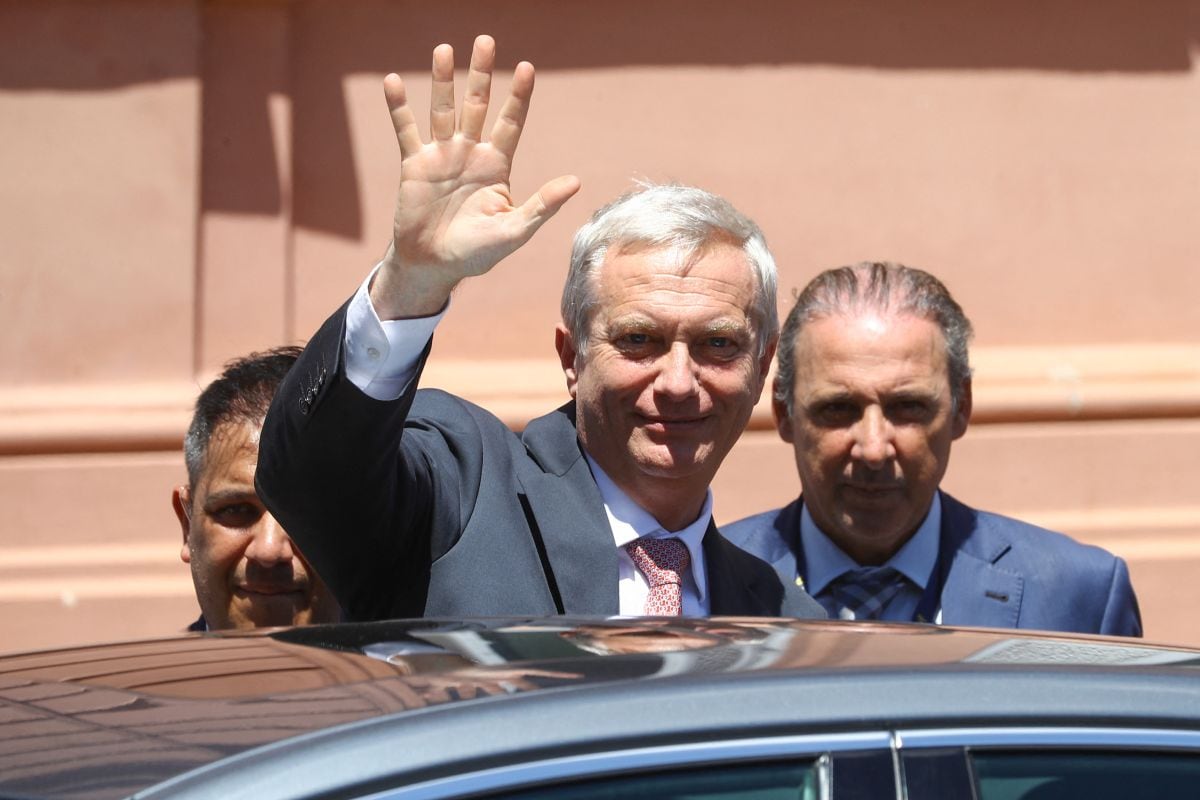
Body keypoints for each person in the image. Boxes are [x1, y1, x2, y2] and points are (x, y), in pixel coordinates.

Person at [256, 35, 823, 621]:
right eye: (637, 340)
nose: (678, 382)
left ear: (762, 367)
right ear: (570, 358)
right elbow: (311, 479)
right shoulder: (464, 485)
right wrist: (411, 282)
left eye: (718, 345)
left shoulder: (791, 621)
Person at [724, 261, 1142, 635]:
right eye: (838, 408)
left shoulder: (1079, 595)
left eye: (908, 407)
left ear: (962, 408)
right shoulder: (705, 586)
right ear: (784, 413)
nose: (873, 449)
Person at [172, 347, 340, 630]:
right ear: (187, 525)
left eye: (304, 512)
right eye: (236, 510)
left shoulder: (424, 672)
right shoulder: (134, 676)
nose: (270, 551)